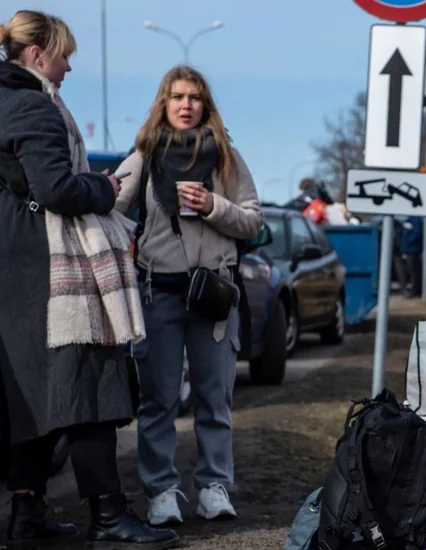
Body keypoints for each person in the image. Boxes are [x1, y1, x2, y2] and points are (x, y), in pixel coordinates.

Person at [0, 10, 178, 548]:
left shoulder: (6, 100)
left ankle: (26, 517)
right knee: (89, 388)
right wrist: (101, 188)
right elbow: (54, 190)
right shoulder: (33, 105)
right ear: (37, 55)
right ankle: (108, 516)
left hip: (17, 263)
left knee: (33, 395)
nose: (69, 67)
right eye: (64, 55)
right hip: (53, 268)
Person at [115, 65, 263, 526]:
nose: (185, 105)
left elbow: (253, 220)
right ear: (164, 103)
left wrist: (213, 206)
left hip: (214, 297)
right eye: (177, 97)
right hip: (159, 293)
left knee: (214, 399)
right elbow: (112, 208)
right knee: (158, 400)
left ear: (206, 106)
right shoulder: (144, 154)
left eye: (194, 98)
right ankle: (162, 492)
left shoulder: (226, 158)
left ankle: (214, 487)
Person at [400, 216, 424, 297]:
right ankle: (413, 289)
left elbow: (417, 232)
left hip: (413, 250)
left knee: (414, 272)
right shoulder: (407, 220)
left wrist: (409, 242)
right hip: (408, 250)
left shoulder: (415, 219)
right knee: (409, 271)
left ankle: (415, 291)